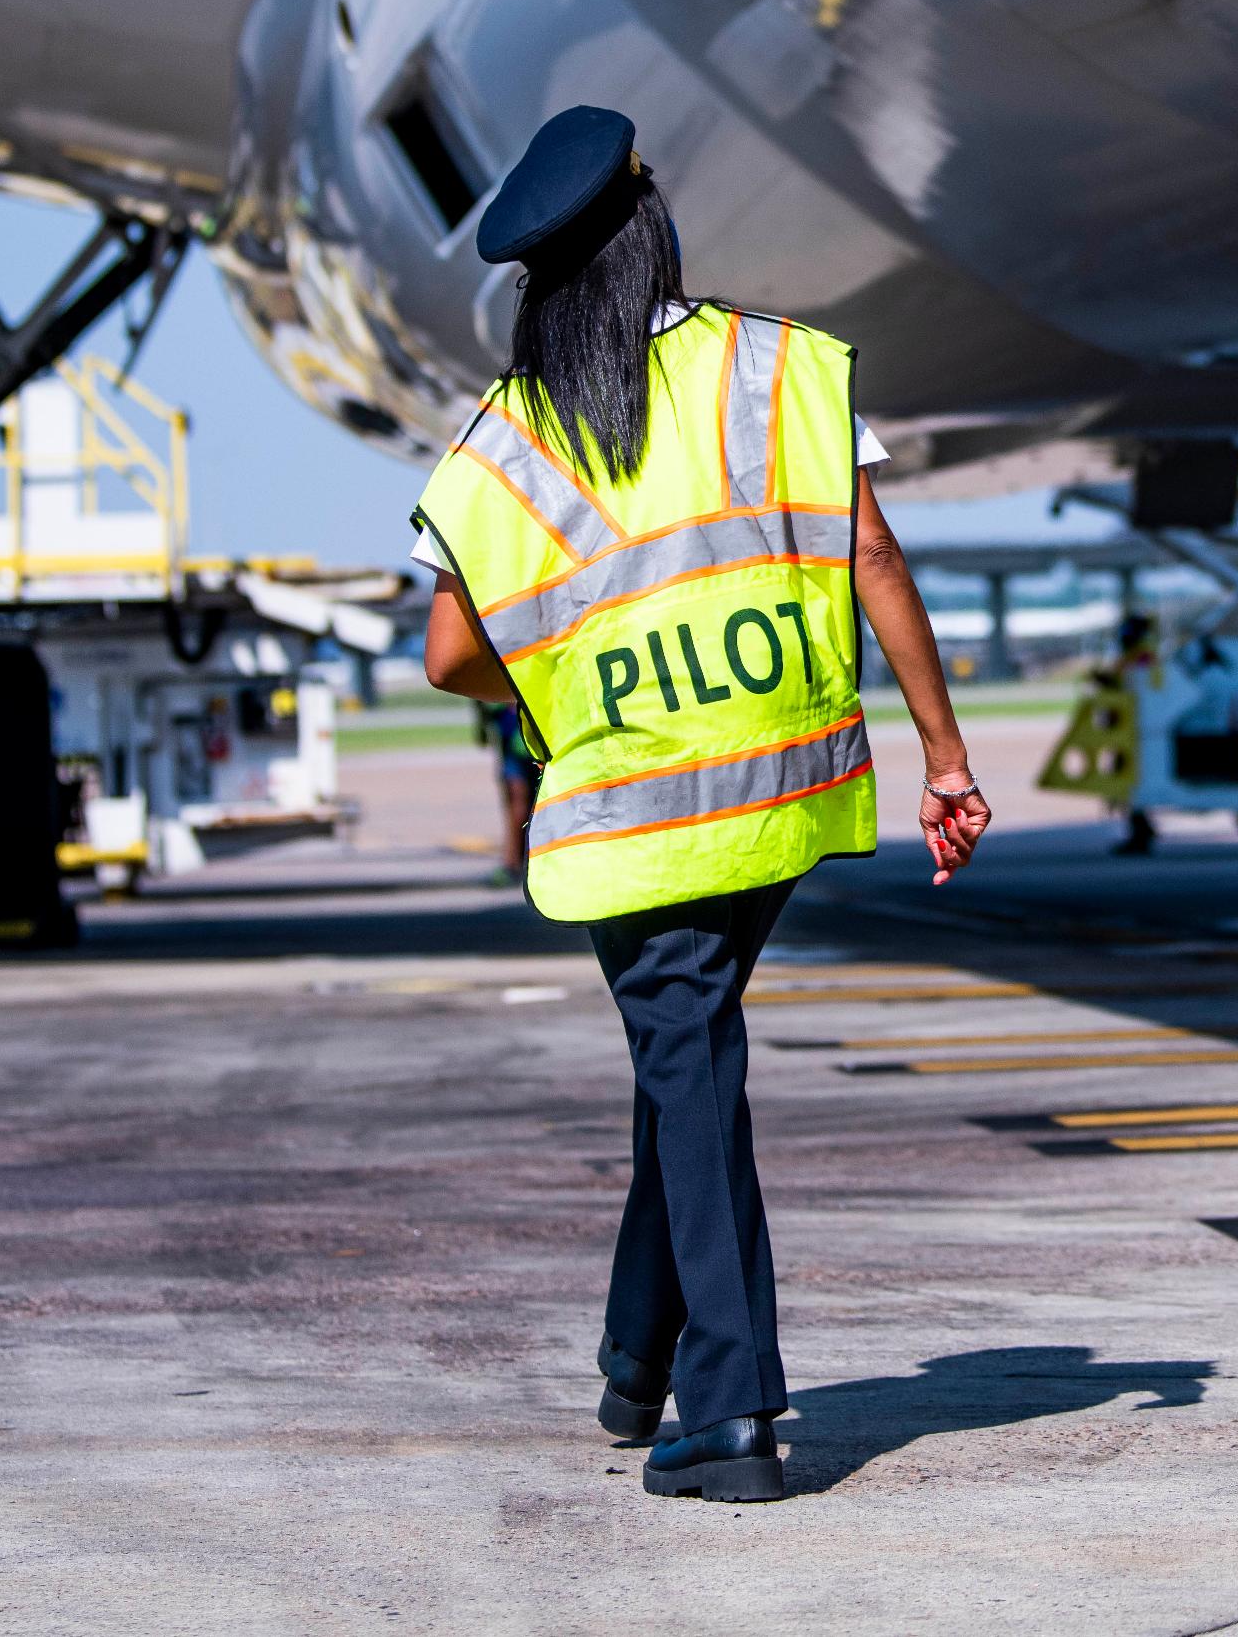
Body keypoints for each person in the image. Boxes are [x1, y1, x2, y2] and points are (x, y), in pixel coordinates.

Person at [410, 104, 989, 1506]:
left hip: (625, 814)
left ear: (542, 281)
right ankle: (633, 1356)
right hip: (780, 790)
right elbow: (869, 552)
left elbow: (445, 655)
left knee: (686, 1068)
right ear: (651, 227)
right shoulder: (774, 369)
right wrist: (945, 756)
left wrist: (565, 664)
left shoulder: (498, 446)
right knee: (686, 1061)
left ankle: (728, 1406)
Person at [477, 698, 539, 884]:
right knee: (518, 800)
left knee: (517, 800)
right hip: (515, 735)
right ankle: (516, 861)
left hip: (521, 736)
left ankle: (513, 862)